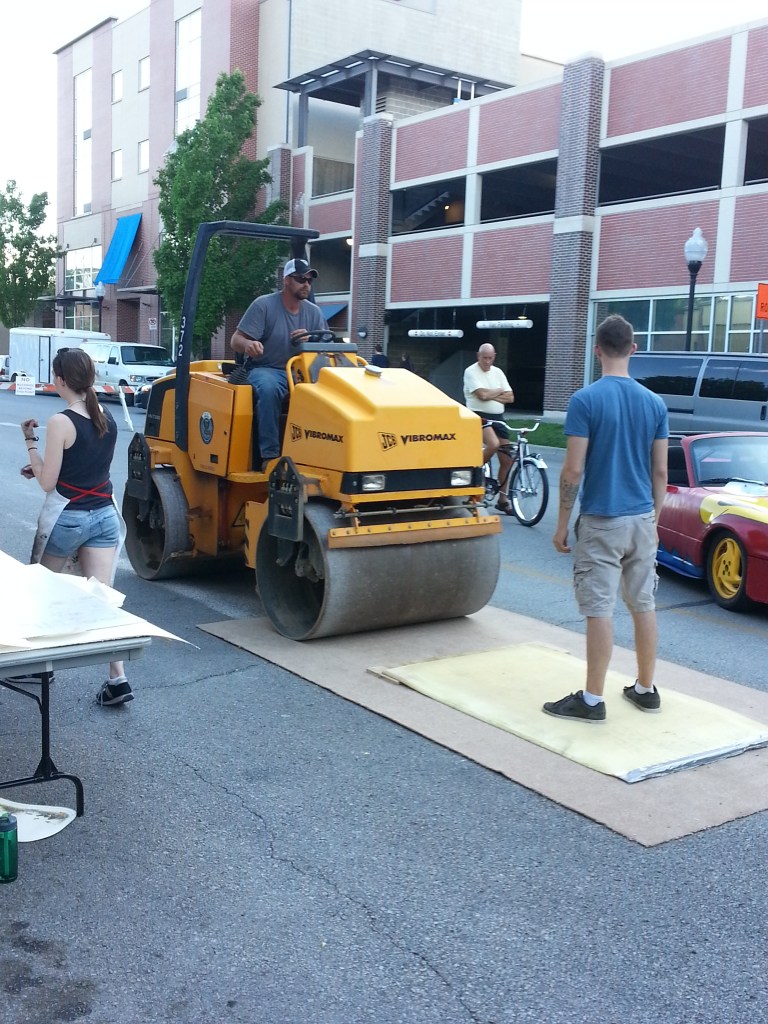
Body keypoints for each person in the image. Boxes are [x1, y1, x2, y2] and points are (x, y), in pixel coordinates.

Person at [544, 314, 669, 724]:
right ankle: (645, 689)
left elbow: (572, 471)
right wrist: (653, 517)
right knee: (643, 603)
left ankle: (593, 700)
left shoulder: (585, 400)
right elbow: (661, 473)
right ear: (633, 349)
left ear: (596, 350)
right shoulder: (655, 403)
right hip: (642, 519)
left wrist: (562, 525)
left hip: (602, 519)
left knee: (600, 608)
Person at [16, 347, 132, 707]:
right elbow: (83, 466)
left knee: (40, 590)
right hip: (104, 516)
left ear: (60, 380)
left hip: (69, 518)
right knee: (103, 599)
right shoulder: (106, 417)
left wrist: (30, 445)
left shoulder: (60, 422)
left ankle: (38, 666)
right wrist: (41, 465)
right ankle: (118, 679)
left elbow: (49, 483)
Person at [230, 257, 327, 470]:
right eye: (301, 279)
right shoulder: (264, 305)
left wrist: (310, 341)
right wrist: (248, 344)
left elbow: (324, 349)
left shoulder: (314, 312)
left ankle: (318, 454)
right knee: (269, 388)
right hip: (267, 368)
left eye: (309, 281)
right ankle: (270, 456)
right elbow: (235, 340)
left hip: (301, 372)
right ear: (286, 280)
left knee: (330, 394)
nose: (306, 284)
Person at [463, 343, 516, 514]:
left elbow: (511, 398)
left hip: (498, 418)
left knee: (507, 459)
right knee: (493, 444)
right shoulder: (471, 371)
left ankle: (503, 499)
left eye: (490, 358)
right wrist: (499, 392)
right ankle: (476, 470)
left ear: (494, 356)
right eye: (484, 358)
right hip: (479, 416)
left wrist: (492, 394)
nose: (487, 361)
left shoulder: (498, 372)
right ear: (478, 356)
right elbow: (481, 395)